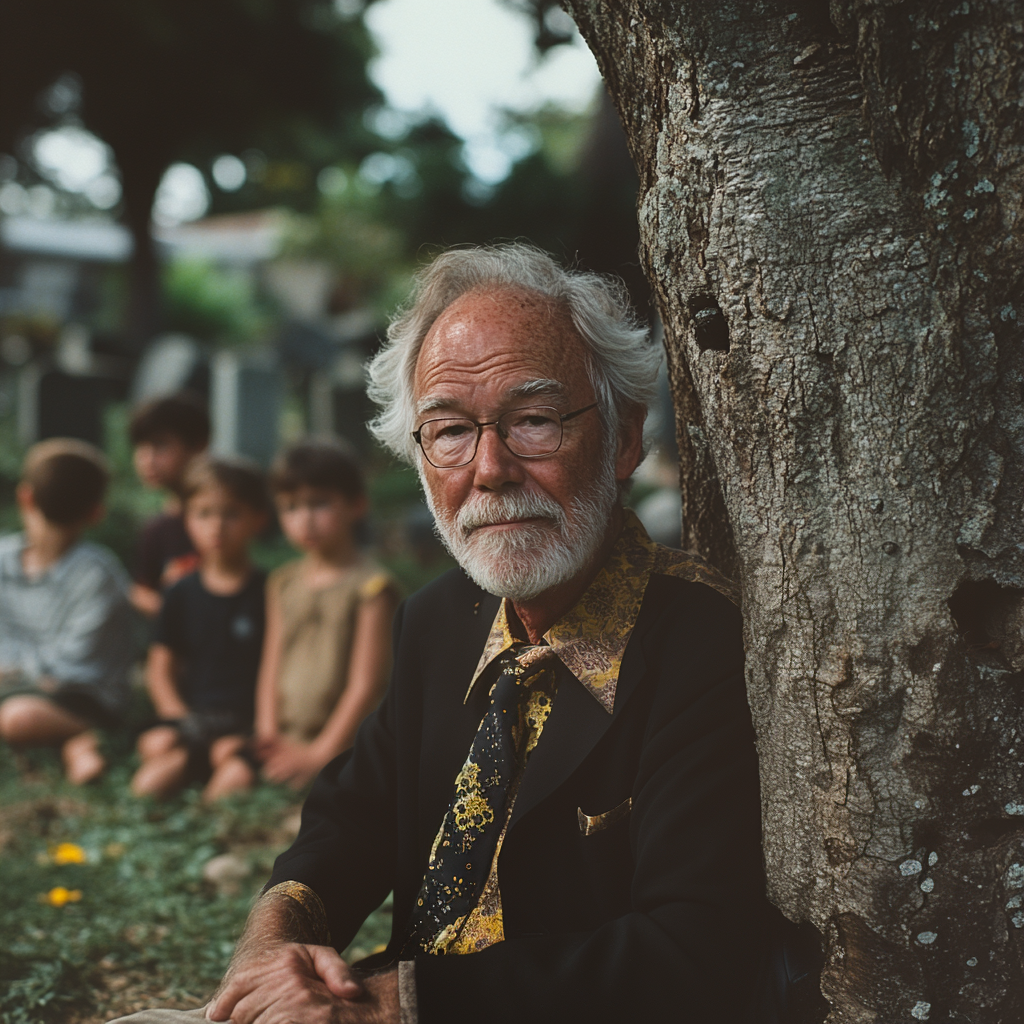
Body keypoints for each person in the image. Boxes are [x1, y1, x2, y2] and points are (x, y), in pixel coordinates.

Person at [110, 244, 773, 1024]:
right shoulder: (437, 618)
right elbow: (350, 817)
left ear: (625, 438)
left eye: (533, 420)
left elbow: (695, 951)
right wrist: (273, 935)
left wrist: (395, 1007)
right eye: (450, 431)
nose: (489, 469)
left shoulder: (699, 643)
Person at [254, 440, 398, 791]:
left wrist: (320, 754)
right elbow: (271, 663)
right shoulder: (282, 582)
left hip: (345, 744)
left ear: (356, 505)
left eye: (319, 504)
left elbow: (365, 685)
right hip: (286, 738)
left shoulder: (372, 587)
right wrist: (267, 733)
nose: (305, 520)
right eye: (290, 507)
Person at [130, 456, 269, 803]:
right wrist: (181, 719)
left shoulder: (270, 591)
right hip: (192, 717)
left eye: (231, 513)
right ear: (186, 520)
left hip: (243, 721)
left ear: (257, 519)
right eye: (204, 513)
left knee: (228, 764)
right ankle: (191, 763)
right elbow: (159, 669)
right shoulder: (179, 592)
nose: (216, 526)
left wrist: (256, 729)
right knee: (153, 758)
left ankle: (210, 799)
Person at [0, 438, 135, 784]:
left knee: (18, 718)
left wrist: (13, 671)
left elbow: (73, 668)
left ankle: (85, 731)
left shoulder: (97, 575)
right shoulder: (3, 560)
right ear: (96, 512)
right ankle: (75, 744)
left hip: (81, 695)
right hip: (15, 682)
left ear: (25, 496)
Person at [129, 393, 210, 617]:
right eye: (141, 447)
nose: (147, 459)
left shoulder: (225, 514)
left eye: (160, 445)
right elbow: (142, 589)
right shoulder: (157, 528)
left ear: (198, 445)